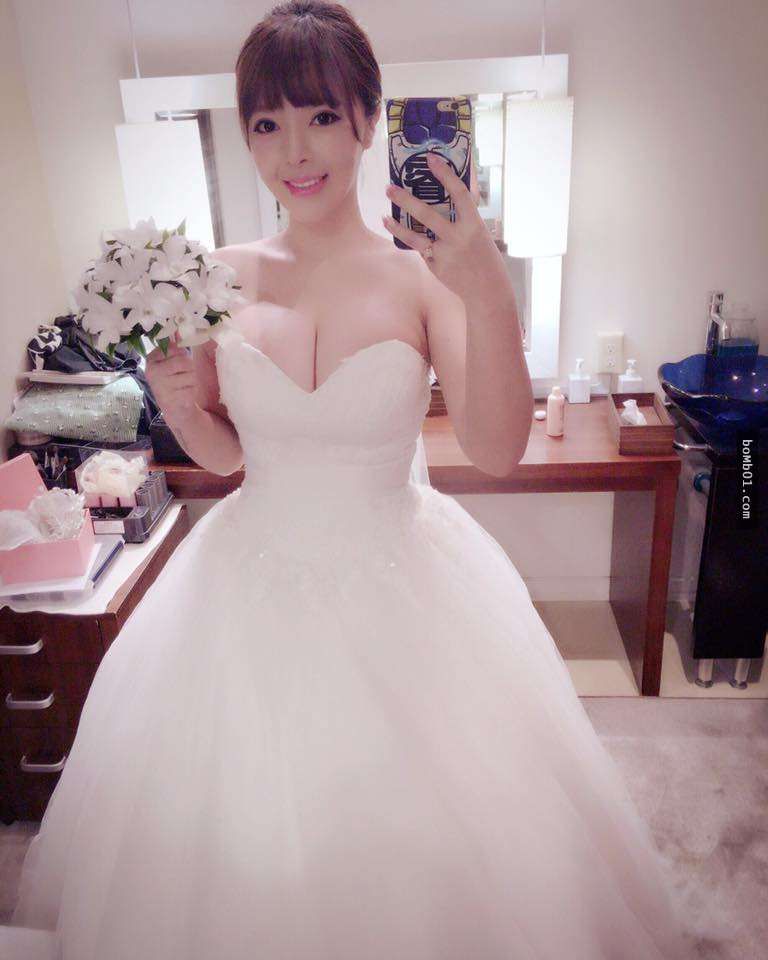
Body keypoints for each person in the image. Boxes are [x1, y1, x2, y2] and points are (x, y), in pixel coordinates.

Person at [4, 2, 690, 957]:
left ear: (370, 119)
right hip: (246, 577)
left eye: (322, 116)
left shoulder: (425, 278)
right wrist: (181, 403)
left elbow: (496, 448)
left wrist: (488, 287)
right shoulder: (215, 280)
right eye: (267, 123)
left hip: (404, 577)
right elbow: (227, 457)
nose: (296, 150)